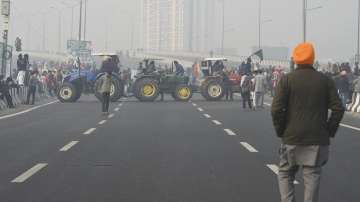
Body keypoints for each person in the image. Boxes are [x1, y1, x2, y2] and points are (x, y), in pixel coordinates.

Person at [271, 43, 344, 202]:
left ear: (295, 60)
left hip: (291, 138)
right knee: (312, 176)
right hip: (317, 139)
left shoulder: (287, 80)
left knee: (284, 172)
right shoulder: (325, 80)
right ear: (313, 58)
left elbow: (276, 109)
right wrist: (329, 130)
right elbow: (338, 109)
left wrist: (281, 130)